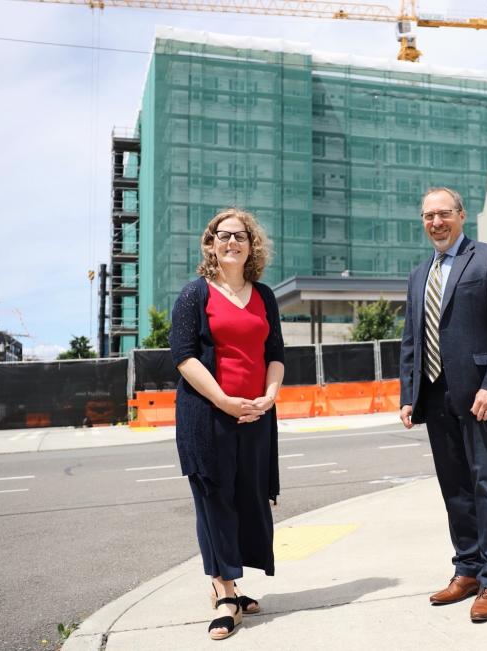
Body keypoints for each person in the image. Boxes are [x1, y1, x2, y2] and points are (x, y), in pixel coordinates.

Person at [399, 187, 487, 623]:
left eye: (443, 214)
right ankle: (466, 568)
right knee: (454, 488)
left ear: (461, 215)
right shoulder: (418, 275)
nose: (436, 222)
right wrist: (408, 395)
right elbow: (412, 339)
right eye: (428, 216)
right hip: (434, 398)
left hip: (482, 396)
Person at [169, 207, 285, 641]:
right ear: (211, 244)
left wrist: (269, 398)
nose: (231, 242)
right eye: (223, 235)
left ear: (252, 245)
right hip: (207, 416)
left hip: (256, 415)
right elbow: (183, 356)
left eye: (240, 236)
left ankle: (231, 582)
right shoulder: (194, 295)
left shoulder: (265, 296)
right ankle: (224, 593)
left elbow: (275, 354)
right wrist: (223, 400)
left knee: (247, 498)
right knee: (214, 499)